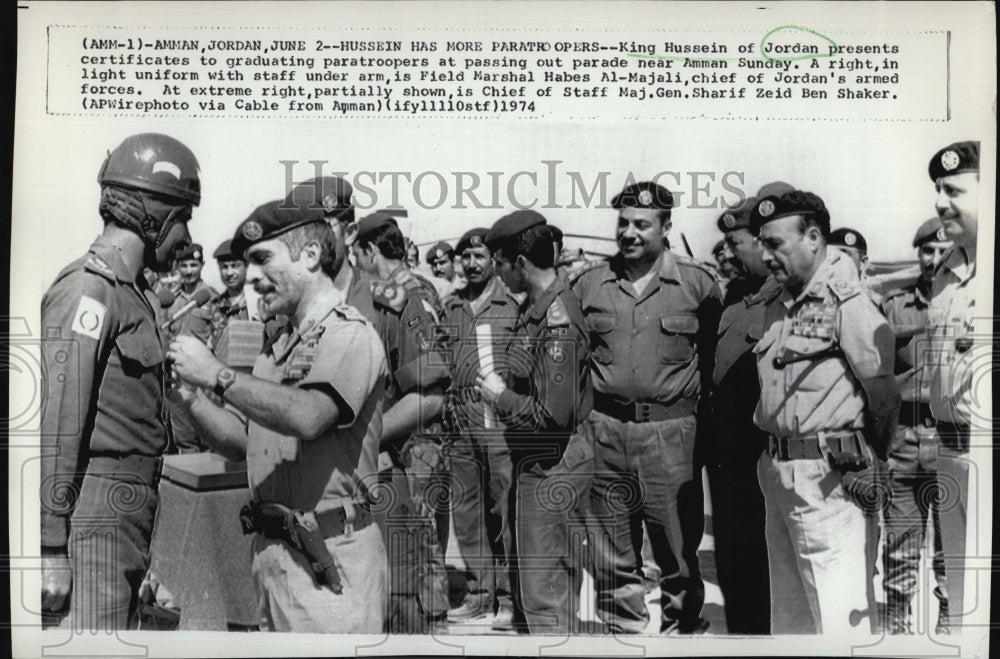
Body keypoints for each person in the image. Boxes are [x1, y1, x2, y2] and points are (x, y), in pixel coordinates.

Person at [167, 199, 388, 633]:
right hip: (275, 555)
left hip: (330, 559)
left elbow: (309, 416)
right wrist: (191, 398)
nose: (250, 276)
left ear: (309, 256)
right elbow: (242, 441)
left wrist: (217, 373)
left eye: (262, 259)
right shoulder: (278, 345)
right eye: (248, 263)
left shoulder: (349, 333)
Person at [39, 132, 202, 630]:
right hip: (98, 514)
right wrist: (49, 547)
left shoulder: (132, 295)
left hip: (128, 511)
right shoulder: (90, 290)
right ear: (155, 216)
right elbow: (58, 424)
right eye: (183, 220)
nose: (184, 240)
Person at [284, 179, 450, 633]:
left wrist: (365, 434)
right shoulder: (290, 310)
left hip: (380, 484)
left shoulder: (390, 302)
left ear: (350, 232)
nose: (311, 243)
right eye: (300, 232)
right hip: (311, 497)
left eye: (325, 227)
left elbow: (429, 397)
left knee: (401, 614)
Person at [572, 181, 722, 634]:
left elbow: (714, 364)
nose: (629, 232)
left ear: (666, 226)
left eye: (642, 223)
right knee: (611, 550)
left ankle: (681, 632)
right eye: (623, 223)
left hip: (671, 435)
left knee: (676, 550)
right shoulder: (589, 284)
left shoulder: (699, 285)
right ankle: (625, 634)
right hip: (604, 432)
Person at [749, 189, 900, 634]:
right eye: (761, 242)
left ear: (813, 237)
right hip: (779, 473)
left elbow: (882, 390)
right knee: (791, 622)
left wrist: (876, 457)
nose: (764, 254)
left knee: (839, 621)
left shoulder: (845, 300)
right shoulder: (779, 298)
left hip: (832, 477)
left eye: (774, 242)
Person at [476, 210, 593, 634]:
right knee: (535, 592)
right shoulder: (538, 311)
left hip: (551, 463)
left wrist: (499, 397)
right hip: (537, 464)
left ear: (520, 264)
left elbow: (553, 417)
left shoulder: (556, 320)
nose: (498, 275)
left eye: (500, 265)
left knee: (546, 599)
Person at [706, 186, 791, 635]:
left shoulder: (787, 297)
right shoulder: (737, 294)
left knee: (764, 557)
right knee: (732, 556)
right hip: (726, 453)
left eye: (736, 243)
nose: (730, 253)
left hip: (760, 450)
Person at [439, 227, 521, 629]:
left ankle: (508, 598)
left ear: (493, 261)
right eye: (465, 258)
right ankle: (478, 594)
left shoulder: (513, 305)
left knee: (503, 512)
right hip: (460, 424)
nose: (471, 264)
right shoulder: (451, 307)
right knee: (467, 514)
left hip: (500, 426)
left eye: (479, 257)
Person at [881, 217, 952, 634]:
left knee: (950, 539)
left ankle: (949, 613)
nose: (936, 258)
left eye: (944, 250)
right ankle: (896, 615)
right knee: (900, 539)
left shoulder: (970, 302)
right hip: (904, 437)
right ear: (918, 254)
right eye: (928, 250)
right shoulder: (894, 307)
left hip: (950, 436)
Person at [924, 140, 980, 631]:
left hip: (987, 452)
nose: (941, 201)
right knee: (962, 600)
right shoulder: (947, 271)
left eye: (955, 189)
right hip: (949, 453)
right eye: (937, 190)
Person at [208, 239, 250, 346]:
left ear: (246, 266)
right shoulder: (215, 305)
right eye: (224, 267)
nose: (229, 273)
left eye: (235, 265)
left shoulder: (258, 302)